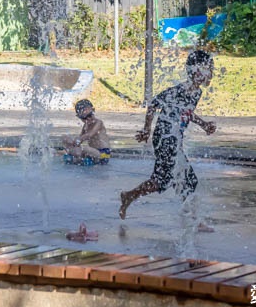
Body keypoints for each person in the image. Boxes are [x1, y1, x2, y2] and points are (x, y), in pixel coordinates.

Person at [119, 49, 217, 220]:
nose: (212, 74)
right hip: (165, 138)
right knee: (180, 179)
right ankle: (192, 219)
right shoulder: (180, 89)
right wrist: (146, 130)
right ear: (197, 70)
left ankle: (130, 196)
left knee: (172, 180)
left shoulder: (196, 92)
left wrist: (203, 124)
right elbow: (153, 105)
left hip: (173, 139)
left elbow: (186, 112)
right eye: (210, 68)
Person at [62, 99, 111, 165]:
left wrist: (79, 139)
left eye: (90, 115)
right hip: (92, 153)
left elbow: (89, 135)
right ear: (79, 117)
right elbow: (80, 139)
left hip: (102, 154)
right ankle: (76, 158)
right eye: (84, 118)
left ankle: (66, 154)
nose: (88, 119)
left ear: (93, 110)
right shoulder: (85, 125)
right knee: (65, 138)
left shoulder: (98, 123)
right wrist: (73, 142)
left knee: (84, 149)